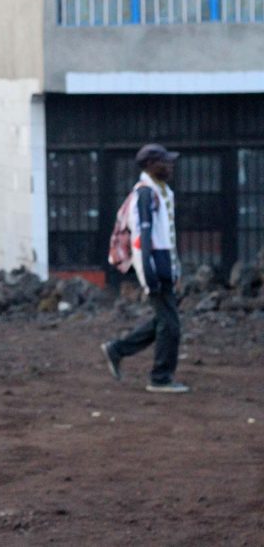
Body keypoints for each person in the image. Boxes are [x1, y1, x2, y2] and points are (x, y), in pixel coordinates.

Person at [101, 143, 189, 394]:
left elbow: (166, 236)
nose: (170, 165)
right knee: (170, 325)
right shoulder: (145, 195)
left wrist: (175, 269)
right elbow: (141, 239)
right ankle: (160, 377)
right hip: (154, 265)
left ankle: (117, 349)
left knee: (164, 320)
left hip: (163, 264)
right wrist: (148, 275)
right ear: (150, 165)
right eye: (165, 162)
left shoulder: (161, 192)